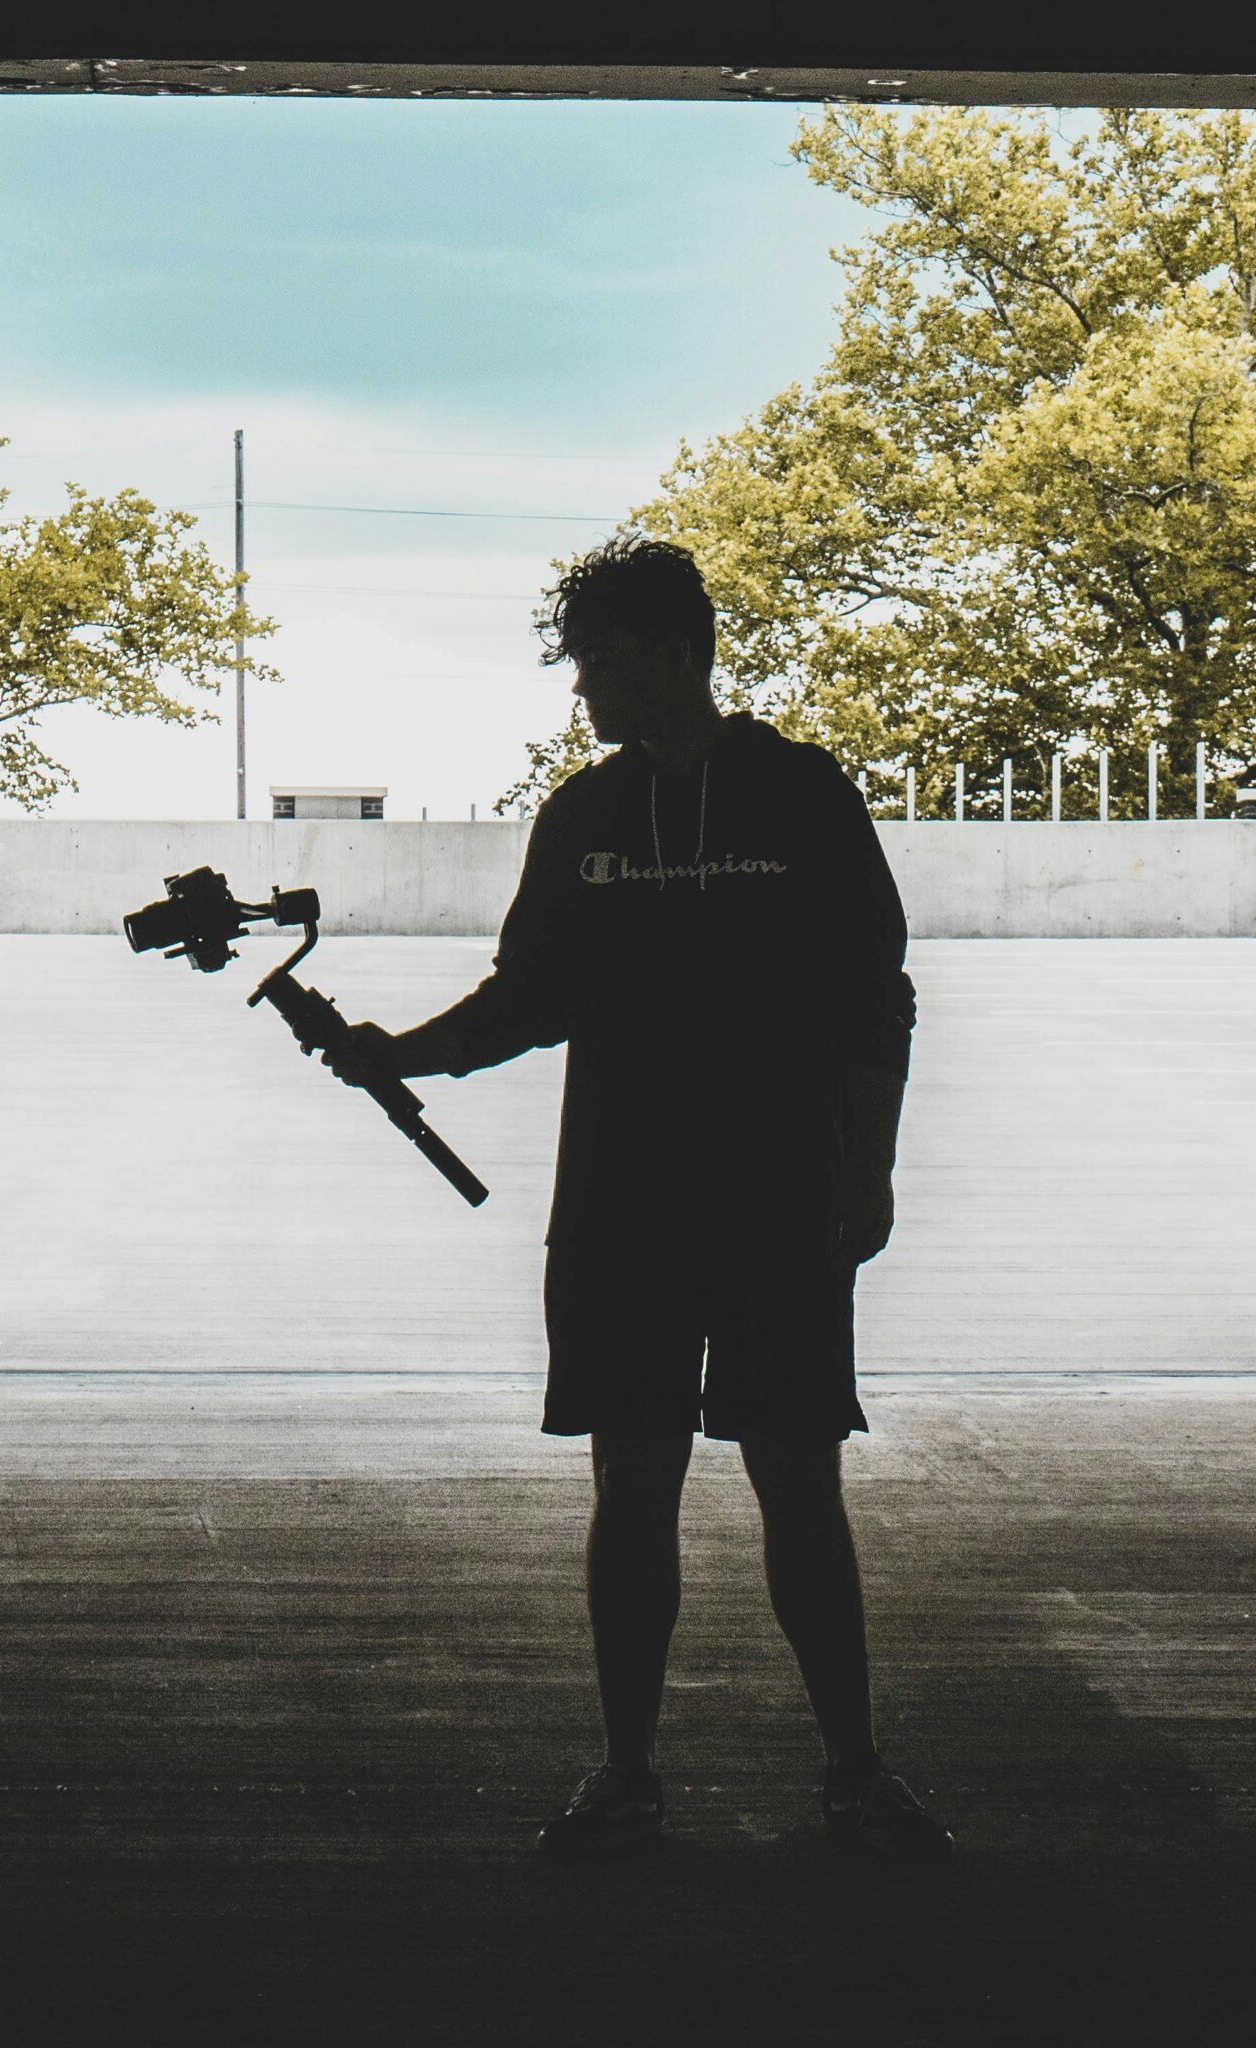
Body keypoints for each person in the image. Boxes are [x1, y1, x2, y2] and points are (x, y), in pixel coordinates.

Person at [317, 536, 952, 1860]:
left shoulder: (801, 794)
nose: (584, 688)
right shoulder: (584, 817)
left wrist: (870, 1165)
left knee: (797, 1476)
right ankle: (626, 1774)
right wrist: (404, 1053)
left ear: (676, 653)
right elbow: (530, 996)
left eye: (600, 660)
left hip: (782, 1197)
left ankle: (854, 1770)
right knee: (633, 1479)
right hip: (621, 1205)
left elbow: (873, 998)